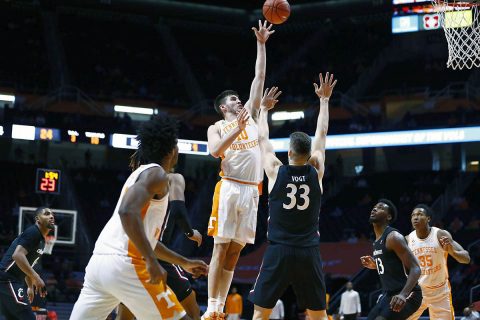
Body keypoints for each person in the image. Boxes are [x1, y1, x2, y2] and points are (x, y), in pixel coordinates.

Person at [70, 115, 208, 320]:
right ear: (172, 151)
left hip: (99, 265)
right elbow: (126, 212)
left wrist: (184, 262)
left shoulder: (139, 174)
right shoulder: (157, 175)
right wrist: (152, 262)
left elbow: (147, 241)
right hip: (126, 265)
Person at [248, 72, 337, 320]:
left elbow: (262, 138)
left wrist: (264, 110)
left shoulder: (276, 171)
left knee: (260, 314)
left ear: (288, 152)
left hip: (279, 250)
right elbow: (322, 133)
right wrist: (324, 100)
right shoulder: (316, 169)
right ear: (309, 154)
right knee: (319, 314)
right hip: (308, 250)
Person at [205, 20, 275, 319]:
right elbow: (215, 151)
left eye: (239, 98)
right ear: (224, 107)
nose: (238, 100)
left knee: (235, 251)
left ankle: (221, 308)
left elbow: (259, 77)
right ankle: (211, 308)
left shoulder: (252, 115)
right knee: (220, 250)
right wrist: (240, 128)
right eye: (233, 99)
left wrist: (261, 44)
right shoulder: (218, 126)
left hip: (252, 191)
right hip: (230, 187)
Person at [117, 172, 204, 320]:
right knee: (192, 311)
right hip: (158, 252)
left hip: (133, 252)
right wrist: (190, 233)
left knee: (125, 315)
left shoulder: (135, 179)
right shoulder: (173, 178)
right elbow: (178, 210)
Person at [360, 200, 422, 320]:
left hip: (409, 294)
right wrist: (375, 265)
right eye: (374, 207)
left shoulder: (393, 237)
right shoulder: (376, 242)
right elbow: (393, 266)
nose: (374, 209)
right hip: (388, 294)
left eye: (380, 208)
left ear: (388, 216)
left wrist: (403, 295)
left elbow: (416, 268)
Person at [406, 204, 470, 320]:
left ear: (428, 219)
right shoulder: (408, 239)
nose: (415, 217)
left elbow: (466, 258)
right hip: (418, 292)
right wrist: (376, 264)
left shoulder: (440, 234)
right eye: (413, 215)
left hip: (440, 292)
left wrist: (452, 251)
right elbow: (392, 260)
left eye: (420, 214)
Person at [0, 207, 55, 320]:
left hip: (11, 281)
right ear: (37, 219)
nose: (51, 216)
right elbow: (17, 255)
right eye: (47, 214)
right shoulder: (33, 232)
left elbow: (27, 266)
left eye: (52, 214)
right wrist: (37, 277)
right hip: (7, 279)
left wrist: (30, 286)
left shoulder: (41, 241)